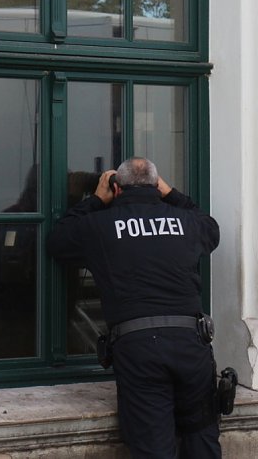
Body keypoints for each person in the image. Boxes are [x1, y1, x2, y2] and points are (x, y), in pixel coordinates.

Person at [47, 157, 221, 458]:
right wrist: (172, 195)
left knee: (153, 447)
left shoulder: (100, 225)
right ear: (157, 186)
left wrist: (96, 202)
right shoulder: (186, 221)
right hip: (191, 345)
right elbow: (211, 229)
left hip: (140, 350)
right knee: (202, 439)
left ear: (116, 189)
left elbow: (58, 241)